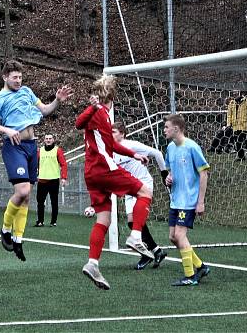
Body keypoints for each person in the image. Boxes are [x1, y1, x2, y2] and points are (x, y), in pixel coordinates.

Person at [0, 59, 73, 261]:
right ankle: (6, 229)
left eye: (20, 77)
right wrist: (6, 129)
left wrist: (57, 100)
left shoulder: (27, 92)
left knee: (26, 196)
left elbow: (45, 111)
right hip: (14, 147)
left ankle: (18, 239)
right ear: (5, 77)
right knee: (22, 191)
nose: (18, 80)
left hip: (32, 147)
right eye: (14, 77)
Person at [75, 75, 154, 290]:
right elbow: (79, 123)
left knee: (103, 219)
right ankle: (136, 236)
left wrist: (133, 154)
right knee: (145, 192)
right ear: (112, 97)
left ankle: (93, 263)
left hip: (91, 173)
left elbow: (111, 144)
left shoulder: (103, 115)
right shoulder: (99, 112)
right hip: (104, 168)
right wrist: (92, 108)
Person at [111, 123, 169, 270]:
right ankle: (155, 251)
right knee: (132, 223)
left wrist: (164, 174)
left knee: (135, 221)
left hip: (143, 185)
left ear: (122, 133)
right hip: (130, 187)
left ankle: (148, 253)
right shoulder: (111, 150)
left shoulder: (132, 145)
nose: (111, 134)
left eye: (114, 132)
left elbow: (157, 153)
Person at [164, 114, 212, 286]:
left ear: (176, 129)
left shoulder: (192, 147)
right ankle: (200, 267)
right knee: (173, 237)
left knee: (179, 235)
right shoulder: (170, 148)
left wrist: (200, 201)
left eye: (167, 127)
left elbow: (204, 173)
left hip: (189, 201)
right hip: (176, 200)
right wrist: (168, 178)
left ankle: (190, 276)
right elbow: (170, 172)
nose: (164, 131)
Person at [34, 133, 67, 227]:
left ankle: (53, 221)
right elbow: (35, 164)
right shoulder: (40, 151)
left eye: (50, 138)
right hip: (42, 180)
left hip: (54, 180)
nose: (48, 140)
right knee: (40, 202)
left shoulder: (58, 150)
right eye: (46, 138)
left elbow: (64, 164)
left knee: (54, 202)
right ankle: (40, 221)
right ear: (44, 140)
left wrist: (64, 178)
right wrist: (35, 175)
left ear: (53, 140)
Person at [210, 93, 247, 160]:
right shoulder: (232, 103)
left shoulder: (246, 101)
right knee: (238, 142)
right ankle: (241, 156)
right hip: (235, 126)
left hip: (244, 125)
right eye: (233, 93)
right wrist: (228, 124)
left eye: (236, 92)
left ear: (240, 93)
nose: (235, 94)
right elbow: (229, 115)